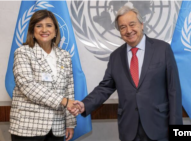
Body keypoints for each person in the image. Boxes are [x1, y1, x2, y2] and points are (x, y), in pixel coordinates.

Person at [72, 5, 182, 141]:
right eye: (123, 27)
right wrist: (85, 104)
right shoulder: (115, 57)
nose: (129, 30)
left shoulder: (162, 49)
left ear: (142, 25)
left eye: (132, 24)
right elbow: (105, 87)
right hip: (129, 130)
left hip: (159, 127)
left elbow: (174, 90)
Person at [9, 9, 79, 141]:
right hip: (27, 128)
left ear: (56, 30)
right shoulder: (23, 53)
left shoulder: (65, 56)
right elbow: (28, 86)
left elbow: (69, 89)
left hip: (57, 127)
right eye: (39, 26)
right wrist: (63, 101)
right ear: (32, 31)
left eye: (49, 25)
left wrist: (70, 123)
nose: (44, 30)